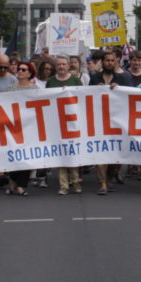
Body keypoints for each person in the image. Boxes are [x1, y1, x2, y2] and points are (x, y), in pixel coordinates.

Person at [89, 50, 132, 194]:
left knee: (114, 156)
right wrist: (96, 89)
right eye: (106, 60)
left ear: (116, 62)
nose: (109, 63)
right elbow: (85, 97)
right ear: (102, 62)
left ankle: (109, 180)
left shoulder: (123, 78)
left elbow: (131, 96)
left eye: (112, 60)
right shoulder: (95, 78)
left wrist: (119, 90)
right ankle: (103, 184)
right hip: (99, 121)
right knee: (101, 153)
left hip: (117, 122)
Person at [0, 62, 40, 196]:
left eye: (24, 70)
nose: (20, 71)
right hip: (13, 127)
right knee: (14, 155)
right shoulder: (11, 89)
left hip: (29, 128)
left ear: (29, 73)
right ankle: (13, 183)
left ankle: (21, 185)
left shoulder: (35, 89)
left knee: (26, 156)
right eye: (19, 69)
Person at [46, 56, 84, 195]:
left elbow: (82, 99)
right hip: (57, 122)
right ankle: (63, 185)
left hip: (73, 122)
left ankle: (75, 182)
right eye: (58, 64)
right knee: (61, 154)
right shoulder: (51, 82)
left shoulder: (76, 81)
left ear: (68, 66)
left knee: (73, 152)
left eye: (63, 64)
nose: (61, 67)